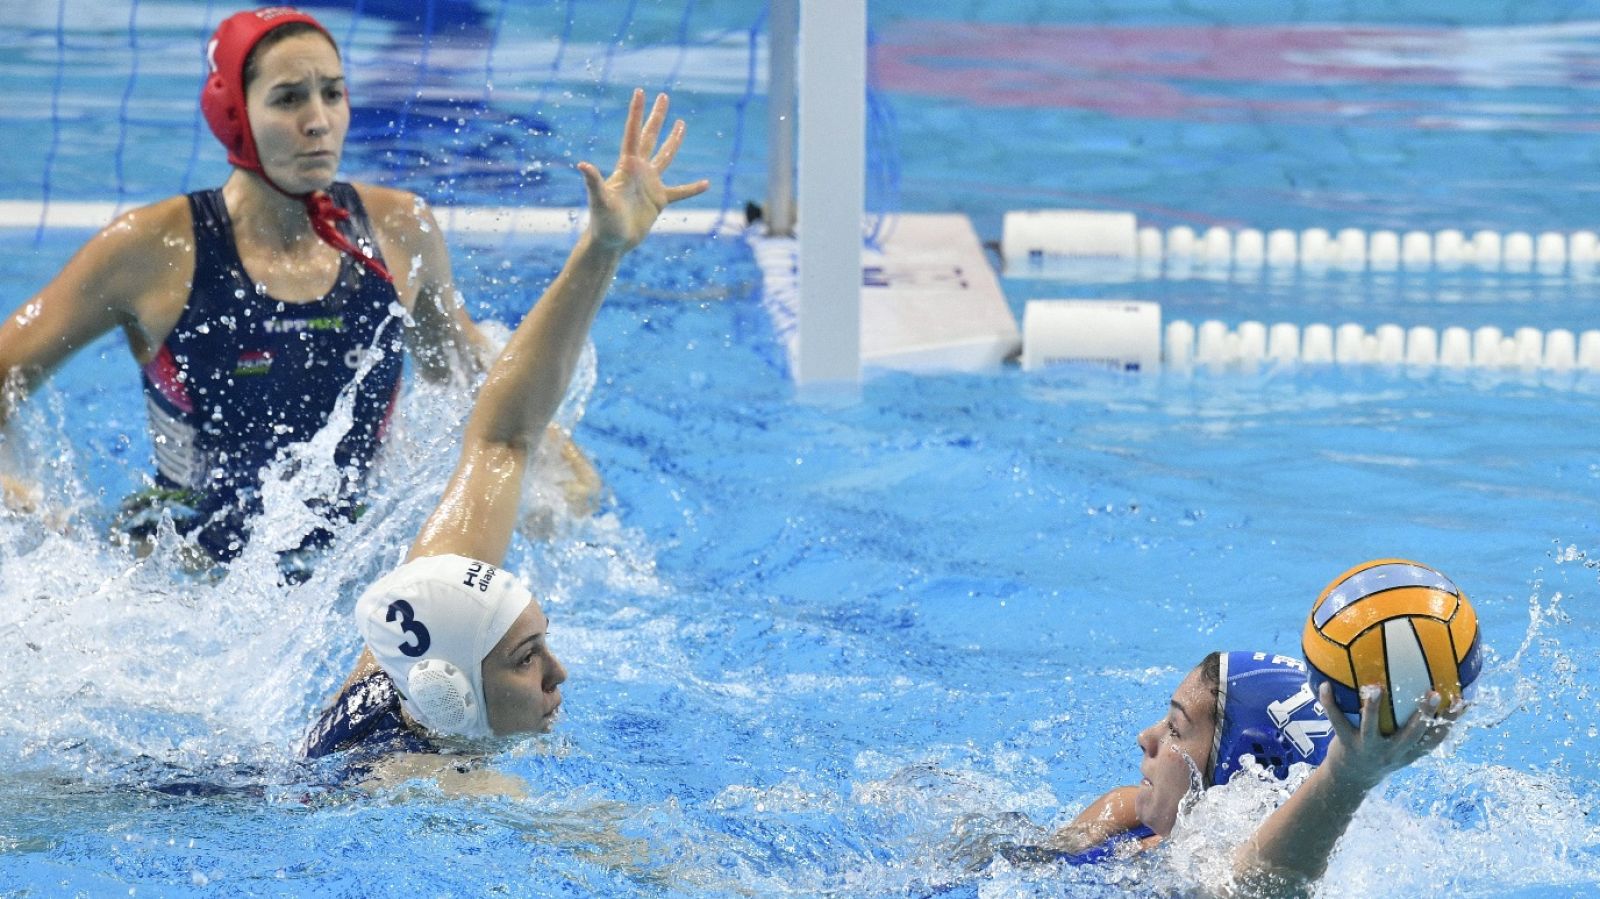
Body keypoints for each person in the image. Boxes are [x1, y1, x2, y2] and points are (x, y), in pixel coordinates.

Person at [0, 6, 593, 568]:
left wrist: (545, 457)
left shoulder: (399, 230)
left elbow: (461, 372)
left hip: (348, 560)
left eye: (333, 93)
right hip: (181, 572)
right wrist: (21, 497)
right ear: (233, 113)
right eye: (288, 99)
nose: (319, 121)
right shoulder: (152, 250)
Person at [302, 87, 706, 786]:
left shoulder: (405, 663)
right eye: (526, 658)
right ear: (448, 689)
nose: (560, 672)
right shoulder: (428, 783)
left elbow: (504, 435)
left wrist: (602, 247)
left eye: (539, 646)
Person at [1028, 649, 1458, 895]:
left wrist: (1348, 777)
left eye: (1176, 728)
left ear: (1240, 769)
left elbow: (1255, 885)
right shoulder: (1124, 814)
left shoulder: (1221, 878)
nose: (1147, 738)